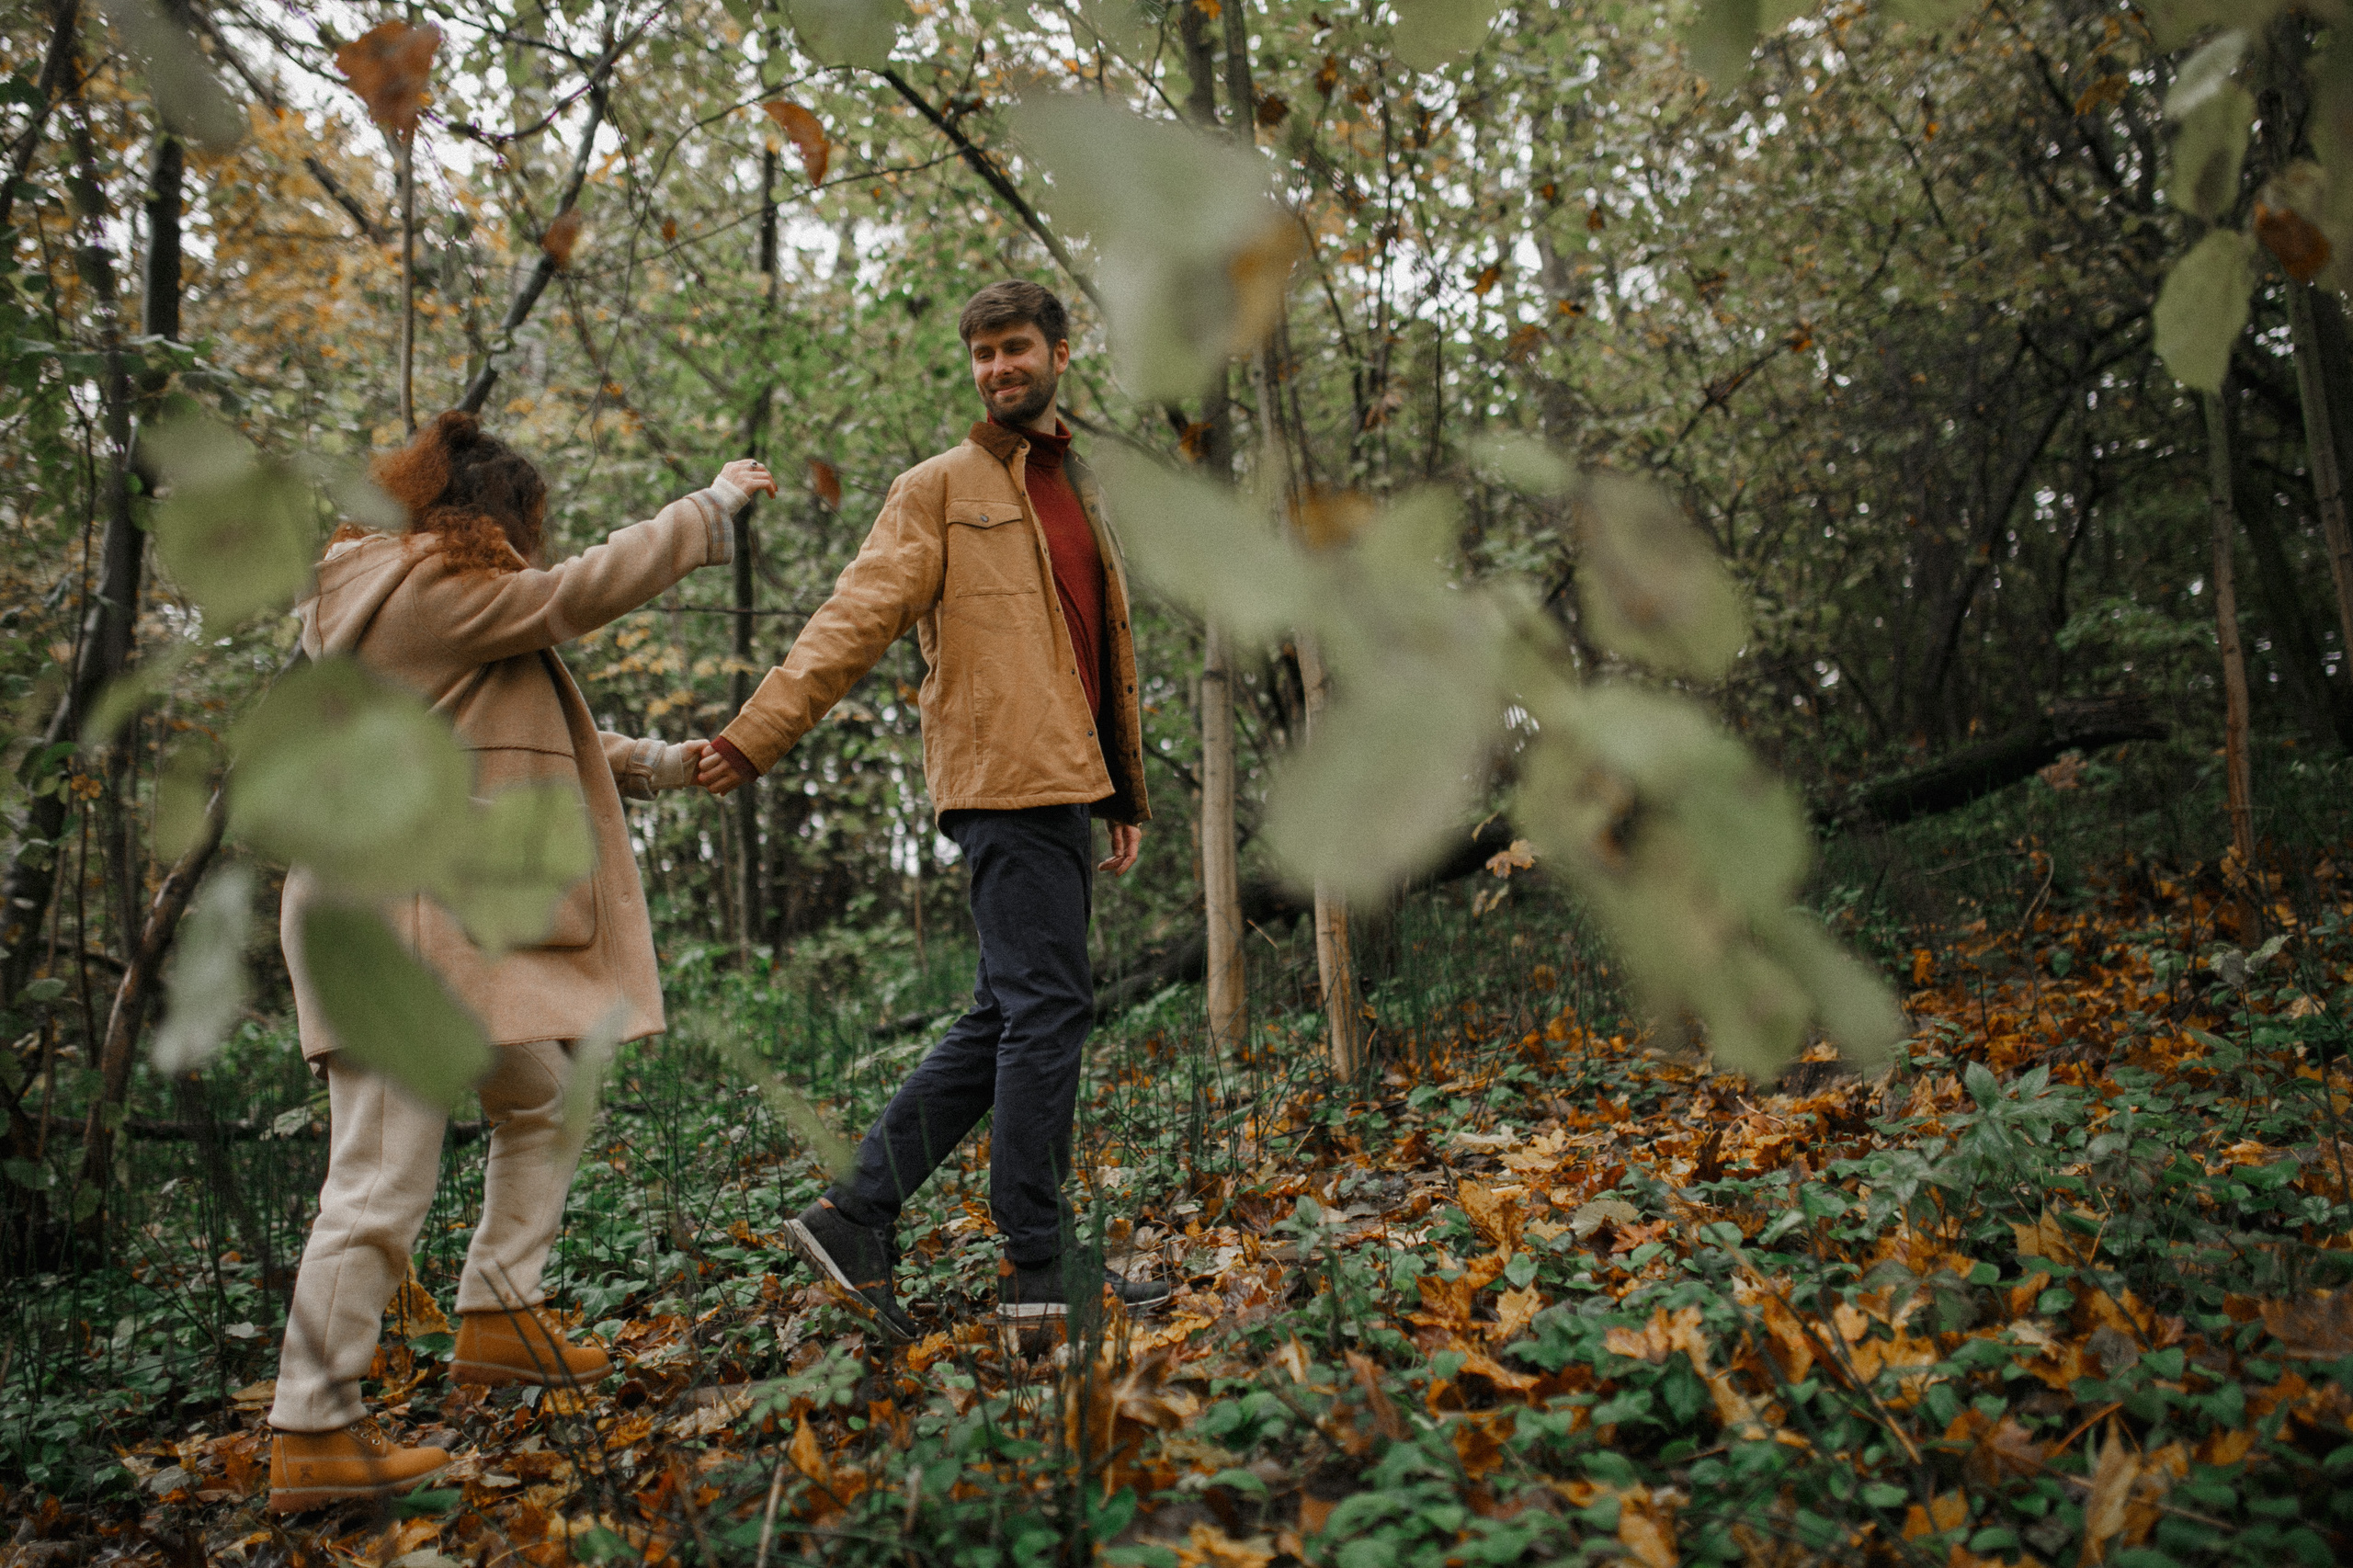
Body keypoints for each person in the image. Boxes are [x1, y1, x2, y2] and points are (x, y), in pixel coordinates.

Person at [266, 412, 777, 1513]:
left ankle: (502, 1315)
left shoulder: (415, 600)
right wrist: (708, 508)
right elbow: (578, 594)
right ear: (484, 519)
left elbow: (512, 728)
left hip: (427, 919)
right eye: (522, 526)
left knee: (541, 1090)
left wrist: (655, 765)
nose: (529, 549)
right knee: (380, 1176)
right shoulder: (418, 590)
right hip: (393, 927)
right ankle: (311, 1427)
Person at [698, 280, 1165, 1335]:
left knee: (1008, 1009)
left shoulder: (1079, 486)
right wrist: (755, 733)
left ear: (1057, 353)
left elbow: (1101, 652)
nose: (999, 368)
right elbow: (849, 620)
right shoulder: (939, 488)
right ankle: (1039, 1272)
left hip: (1064, 780)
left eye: (1015, 349)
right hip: (1002, 778)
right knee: (1046, 1011)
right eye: (983, 354)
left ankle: (857, 1213)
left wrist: (1121, 790)